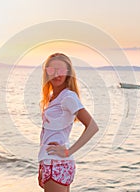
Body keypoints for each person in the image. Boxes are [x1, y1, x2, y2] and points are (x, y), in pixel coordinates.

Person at [38, 53, 99, 192]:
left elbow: (93, 127)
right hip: (50, 162)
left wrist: (68, 152)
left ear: (68, 73)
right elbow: (47, 135)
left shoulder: (68, 97)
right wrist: (42, 164)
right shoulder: (53, 97)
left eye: (61, 70)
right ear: (46, 72)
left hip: (57, 163)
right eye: (52, 70)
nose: (56, 74)